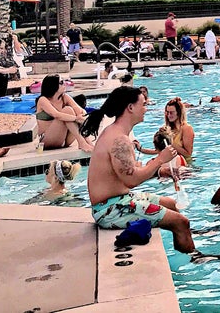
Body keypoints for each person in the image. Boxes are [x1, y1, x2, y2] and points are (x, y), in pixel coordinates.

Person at [82, 86, 196, 255]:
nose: (146, 108)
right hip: (110, 210)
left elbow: (129, 171)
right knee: (181, 222)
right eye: (143, 104)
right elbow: (132, 180)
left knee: (172, 205)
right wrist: (160, 160)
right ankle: (192, 258)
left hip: (118, 200)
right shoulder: (119, 139)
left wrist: (160, 172)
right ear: (130, 107)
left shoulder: (117, 133)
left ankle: (185, 245)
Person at [35, 74, 94, 151]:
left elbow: (78, 108)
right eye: (61, 82)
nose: (65, 84)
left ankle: (87, 141)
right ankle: (82, 142)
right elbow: (56, 115)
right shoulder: (43, 100)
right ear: (53, 85)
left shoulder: (64, 97)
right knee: (68, 110)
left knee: (76, 111)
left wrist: (80, 115)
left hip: (64, 140)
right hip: (46, 141)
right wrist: (76, 118)